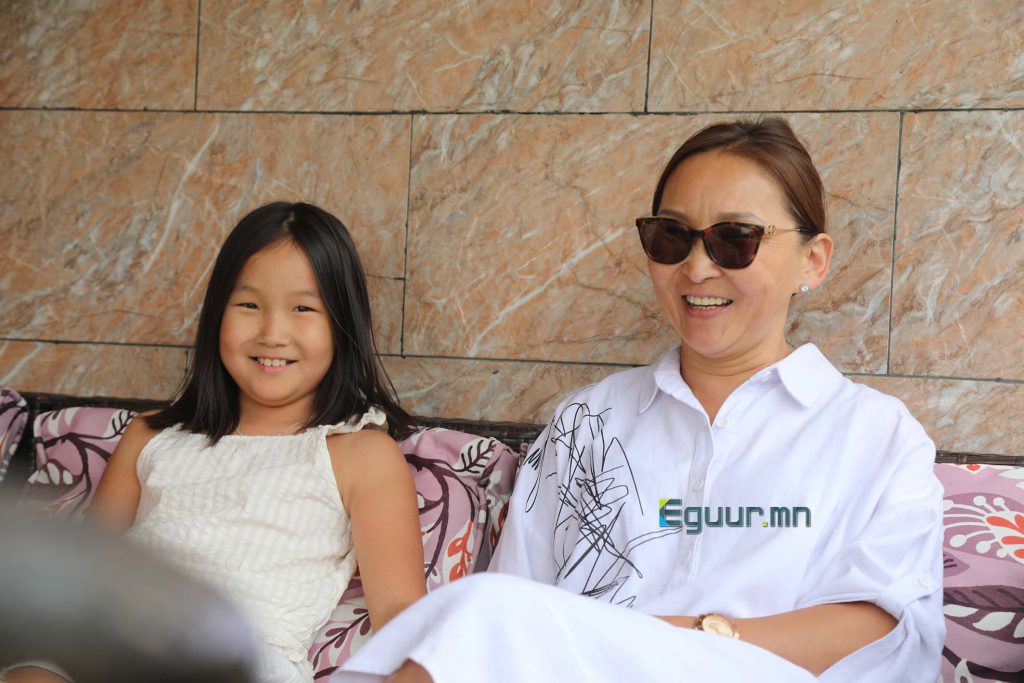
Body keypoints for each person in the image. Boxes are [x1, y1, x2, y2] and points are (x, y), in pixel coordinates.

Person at [333, 119, 945, 683]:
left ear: (812, 260)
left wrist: (689, 639)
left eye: (735, 239)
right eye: (671, 236)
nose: (697, 268)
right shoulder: (588, 422)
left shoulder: (876, 435)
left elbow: (889, 630)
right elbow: (518, 602)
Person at [3, 203, 427, 683]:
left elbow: (399, 606)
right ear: (216, 314)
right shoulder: (152, 435)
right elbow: (90, 569)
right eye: (248, 306)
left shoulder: (358, 453)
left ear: (342, 324)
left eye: (303, 309)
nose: (272, 334)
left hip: (236, 657)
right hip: (121, 636)